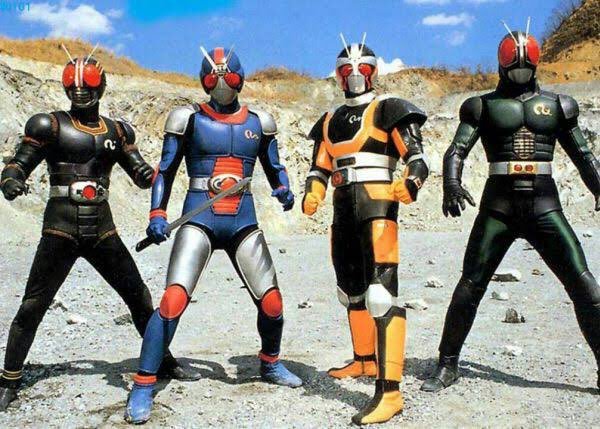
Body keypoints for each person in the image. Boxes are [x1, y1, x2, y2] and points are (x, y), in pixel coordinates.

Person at [0, 48, 197, 411]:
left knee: (138, 296)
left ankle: (163, 361)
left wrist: (159, 174)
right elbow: (17, 165)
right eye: (75, 88)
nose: (80, 94)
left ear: (100, 88)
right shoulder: (49, 125)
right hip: (60, 227)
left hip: (102, 229)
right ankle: (9, 378)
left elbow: (140, 173)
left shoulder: (117, 132)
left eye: (86, 88)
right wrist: (11, 180)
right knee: (33, 304)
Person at [124, 46, 302, 424]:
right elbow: (166, 170)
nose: (221, 83)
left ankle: (270, 362)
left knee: (272, 303)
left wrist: (283, 189)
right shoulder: (188, 118)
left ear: (240, 78)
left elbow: (275, 166)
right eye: (213, 77)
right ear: (204, 80)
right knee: (173, 299)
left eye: (228, 76)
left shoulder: (261, 122)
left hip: (242, 219)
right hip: (199, 217)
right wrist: (157, 213)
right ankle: (143, 383)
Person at [421, 26, 600, 393]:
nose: (519, 63)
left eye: (525, 57)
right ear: (502, 62)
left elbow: (583, 154)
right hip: (499, 205)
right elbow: (457, 150)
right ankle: (447, 363)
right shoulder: (482, 106)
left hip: (543, 203)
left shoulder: (558, 105)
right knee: (470, 284)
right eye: (513, 58)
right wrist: (451, 183)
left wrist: (599, 188)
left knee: (584, 285)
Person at [302, 35, 429, 425]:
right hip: (342, 211)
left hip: (378, 208)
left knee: (381, 295)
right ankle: (363, 360)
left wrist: (411, 183)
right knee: (351, 292)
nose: (355, 75)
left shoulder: (389, 109)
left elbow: (417, 158)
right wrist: (313, 191)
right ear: (338, 75)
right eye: (347, 69)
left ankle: (390, 392)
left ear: (374, 71)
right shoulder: (329, 120)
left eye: (362, 68)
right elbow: (320, 165)